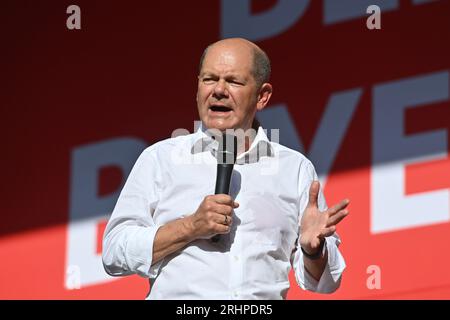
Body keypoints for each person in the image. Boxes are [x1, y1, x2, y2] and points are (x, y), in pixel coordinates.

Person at [102, 38, 349, 299]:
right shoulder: (161, 159)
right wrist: (190, 226)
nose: (219, 90)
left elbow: (326, 282)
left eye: (233, 81)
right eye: (209, 79)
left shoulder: (294, 169)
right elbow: (114, 253)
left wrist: (313, 250)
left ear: (262, 96)